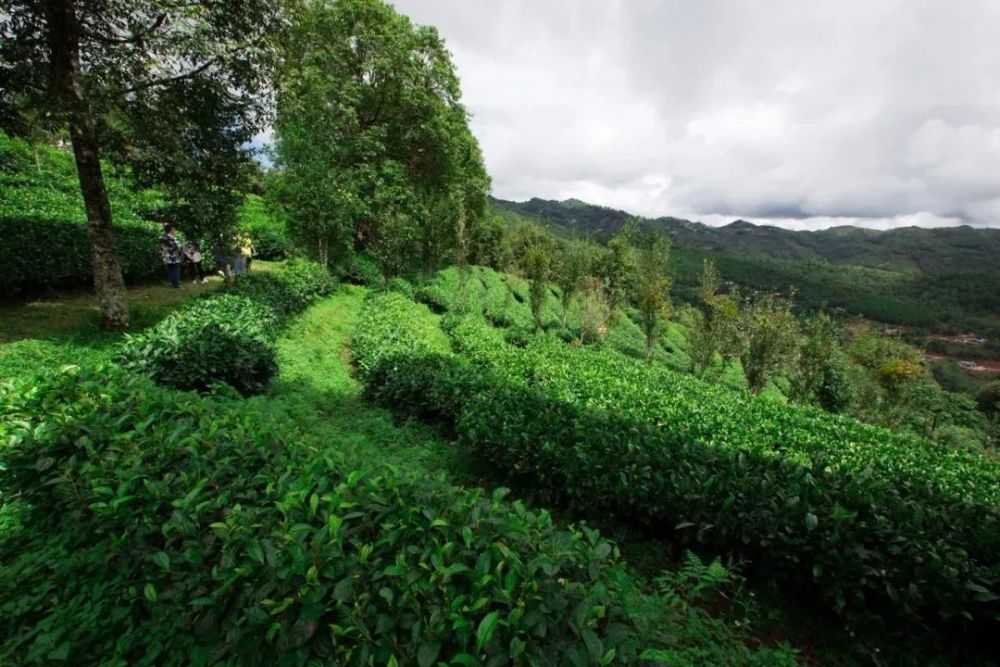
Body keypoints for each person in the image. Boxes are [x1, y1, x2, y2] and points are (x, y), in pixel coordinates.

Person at [160, 224, 183, 288]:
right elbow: (179, 246)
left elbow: (161, 247)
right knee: (176, 270)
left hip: (166, 256)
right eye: (174, 229)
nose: (174, 230)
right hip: (174, 256)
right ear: (171, 229)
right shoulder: (173, 237)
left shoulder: (162, 237)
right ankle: (176, 285)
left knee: (170, 270)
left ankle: (171, 283)